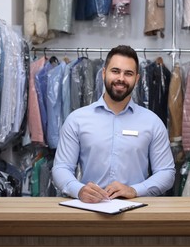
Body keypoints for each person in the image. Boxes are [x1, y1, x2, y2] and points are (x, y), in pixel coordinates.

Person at [52, 45, 176, 203]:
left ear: (137, 79)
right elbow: (61, 168)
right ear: (104, 73)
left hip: (135, 212)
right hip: (89, 210)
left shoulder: (152, 122)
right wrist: (79, 190)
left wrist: (134, 190)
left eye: (128, 73)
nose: (121, 79)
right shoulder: (76, 120)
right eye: (115, 71)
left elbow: (166, 172)